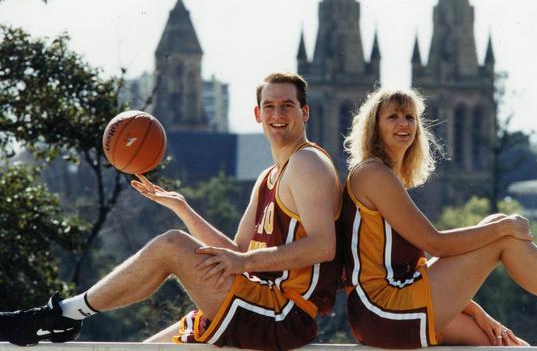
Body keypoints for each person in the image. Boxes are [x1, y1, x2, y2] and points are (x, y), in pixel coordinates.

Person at [0, 72, 342, 350]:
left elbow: (323, 246)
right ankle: (64, 315)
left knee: (172, 246)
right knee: (147, 348)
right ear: (257, 114)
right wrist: (183, 207)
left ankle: (61, 315)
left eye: (287, 106)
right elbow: (236, 251)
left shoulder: (307, 162)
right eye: (269, 106)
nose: (277, 115)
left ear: (305, 112)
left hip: (284, 314)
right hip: (257, 302)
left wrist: (245, 264)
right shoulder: (269, 176)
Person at [338, 87, 537, 349]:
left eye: (410, 117)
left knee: (503, 343)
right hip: (383, 309)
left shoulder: (386, 175)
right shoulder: (373, 173)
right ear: (374, 126)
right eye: (392, 116)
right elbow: (435, 244)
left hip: (391, 305)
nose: (403, 123)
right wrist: (504, 227)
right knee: (501, 235)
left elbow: (410, 265)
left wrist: (471, 308)